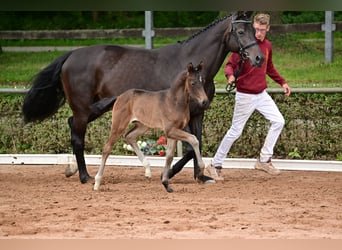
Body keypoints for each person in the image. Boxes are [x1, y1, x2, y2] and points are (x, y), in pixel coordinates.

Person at [205, 13, 291, 181]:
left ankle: (264, 160)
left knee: (279, 121)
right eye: (256, 29)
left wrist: (283, 83)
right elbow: (230, 65)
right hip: (245, 95)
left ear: (268, 28)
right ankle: (214, 165)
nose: (258, 33)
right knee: (235, 131)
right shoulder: (245, 45)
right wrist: (230, 76)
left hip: (261, 94)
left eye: (261, 30)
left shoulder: (267, 46)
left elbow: (269, 68)